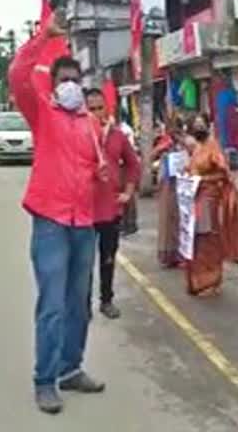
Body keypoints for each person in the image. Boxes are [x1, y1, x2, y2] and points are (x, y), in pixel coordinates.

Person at [9, 14, 106, 414]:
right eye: (62, 79)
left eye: (74, 79)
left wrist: (103, 179)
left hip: (83, 223)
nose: (70, 85)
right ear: (53, 85)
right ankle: (44, 380)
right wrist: (40, 38)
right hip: (50, 220)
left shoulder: (90, 125)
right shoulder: (42, 115)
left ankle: (70, 367)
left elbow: (94, 171)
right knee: (52, 303)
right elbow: (17, 75)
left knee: (79, 302)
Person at [86, 89, 140, 320]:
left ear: (107, 108)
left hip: (110, 210)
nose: (96, 113)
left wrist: (127, 192)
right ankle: (82, 304)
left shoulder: (118, 136)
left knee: (107, 258)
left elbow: (133, 164)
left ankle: (106, 300)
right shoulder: (79, 135)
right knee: (83, 263)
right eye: (91, 108)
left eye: (100, 108)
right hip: (84, 210)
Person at [184, 113, 238, 296]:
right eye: (195, 124)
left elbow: (224, 174)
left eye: (201, 124)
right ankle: (198, 280)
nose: (198, 127)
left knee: (208, 239)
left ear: (209, 125)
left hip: (209, 199)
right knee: (196, 240)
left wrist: (202, 179)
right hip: (194, 198)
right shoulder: (197, 146)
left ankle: (211, 281)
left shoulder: (213, 147)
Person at [153, 117, 183, 268]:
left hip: (182, 184)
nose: (174, 131)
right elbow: (152, 155)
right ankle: (168, 254)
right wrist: (163, 149)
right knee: (167, 218)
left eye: (176, 128)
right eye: (171, 128)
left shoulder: (184, 142)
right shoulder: (164, 141)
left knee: (180, 219)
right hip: (167, 184)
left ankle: (180, 253)